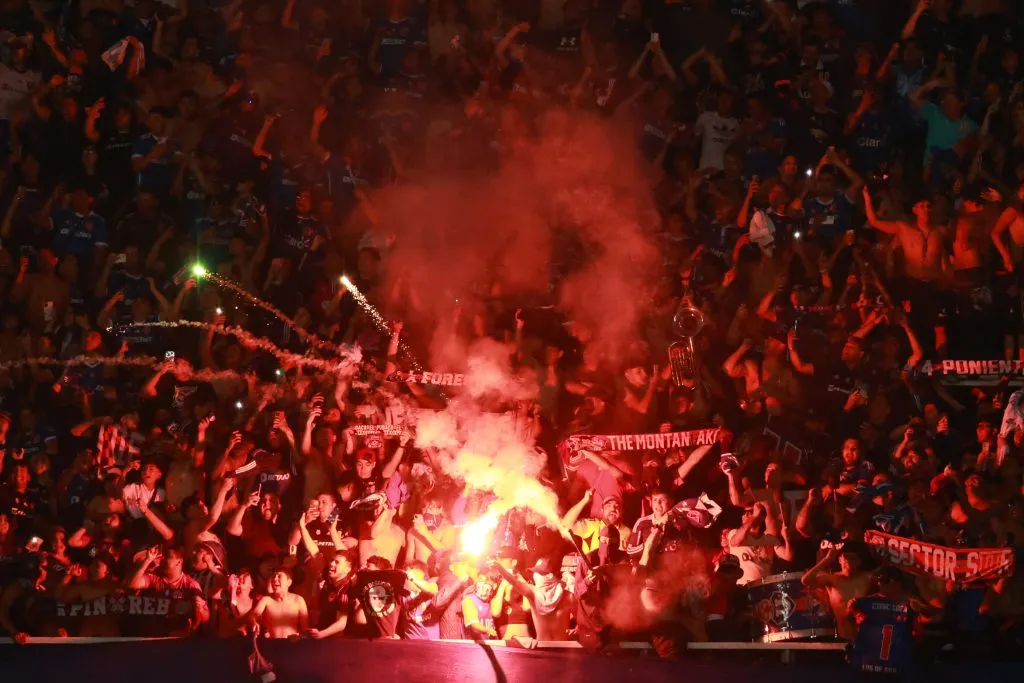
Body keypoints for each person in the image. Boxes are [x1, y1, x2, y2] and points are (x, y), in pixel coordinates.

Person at [251, 566, 309, 639]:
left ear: (289, 582)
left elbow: (305, 631)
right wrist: (254, 622)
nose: (275, 579)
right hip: (272, 645)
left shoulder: (298, 600)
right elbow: (253, 615)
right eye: (274, 576)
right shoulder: (266, 600)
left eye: (279, 576)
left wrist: (295, 639)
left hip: (292, 645)